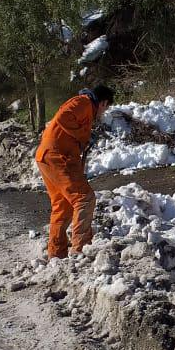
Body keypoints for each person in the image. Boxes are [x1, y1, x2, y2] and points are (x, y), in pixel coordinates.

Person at [35, 85, 114, 259]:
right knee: (84, 198)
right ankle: (81, 251)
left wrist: (81, 139)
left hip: (47, 157)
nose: (104, 112)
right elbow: (64, 117)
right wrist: (82, 135)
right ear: (103, 103)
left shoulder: (84, 105)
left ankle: (56, 255)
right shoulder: (84, 102)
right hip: (57, 156)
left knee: (62, 207)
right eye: (106, 108)